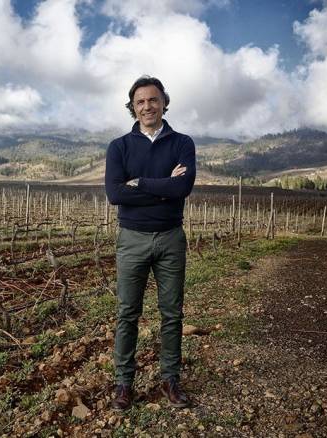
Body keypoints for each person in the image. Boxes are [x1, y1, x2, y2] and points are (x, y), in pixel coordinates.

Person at [104, 75, 196, 410]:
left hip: (171, 238)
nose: (147, 106)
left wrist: (139, 182)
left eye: (153, 100)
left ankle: (170, 379)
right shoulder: (119, 146)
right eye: (140, 101)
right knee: (127, 313)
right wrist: (162, 189)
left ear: (164, 103)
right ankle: (123, 384)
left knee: (172, 313)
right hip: (132, 239)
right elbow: (115, 194)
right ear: (132, 107)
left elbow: (182, 189)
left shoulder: (183, 143)